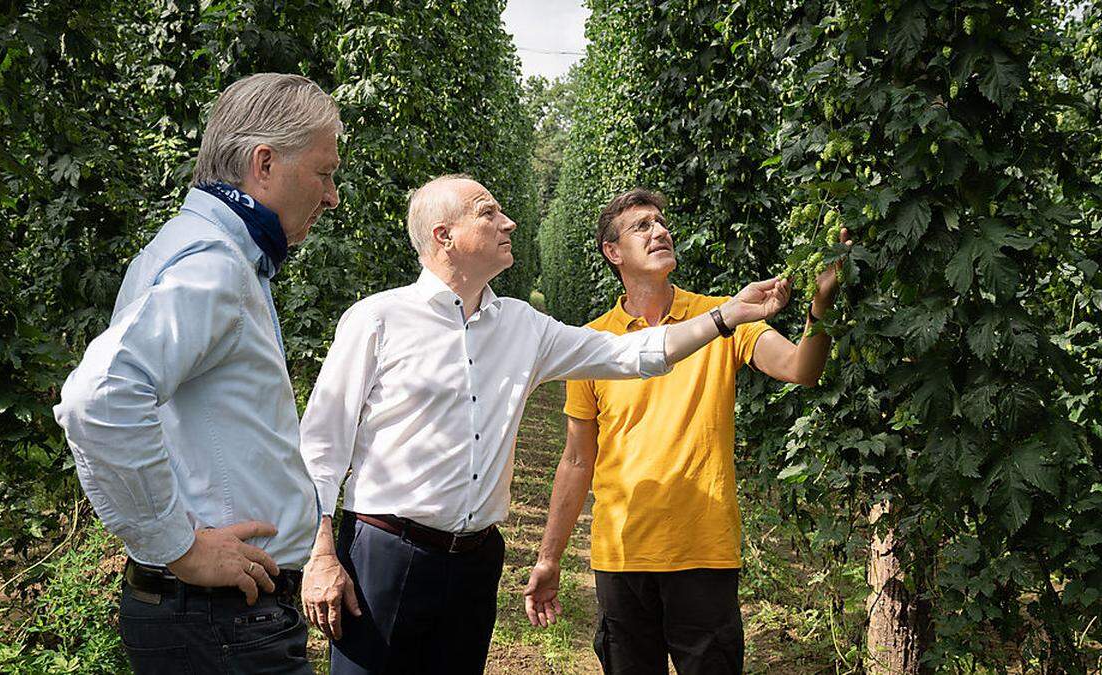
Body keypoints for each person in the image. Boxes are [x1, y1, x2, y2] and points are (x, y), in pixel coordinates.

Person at [297, 174, 793, 674]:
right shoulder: (377, 320)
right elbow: (322, 443)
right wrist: (320, 553)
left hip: (475, 562)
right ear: (444, 235)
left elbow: (630, 353)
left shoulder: (522, 326)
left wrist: (727, 315)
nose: (508, 222)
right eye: (488, 212)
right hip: (387, 555)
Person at [53, 72, 342, 674]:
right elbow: (99, 397)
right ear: (264, 163)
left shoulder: (203, 248)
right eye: (324, 172)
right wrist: (178, 547)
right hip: (222, 624)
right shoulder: (214, 262)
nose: (332, 195)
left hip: (218, 620)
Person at [523, 188, 851, 674]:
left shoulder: (726, 316)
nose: (660, 231)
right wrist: (549, 557)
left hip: (703, 550)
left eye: (661, 222)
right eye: (641, 226)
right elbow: (576, 460)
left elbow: (801, 368)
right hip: (621, 554)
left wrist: (821, 303)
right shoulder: (592, 345)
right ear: (612, 253)